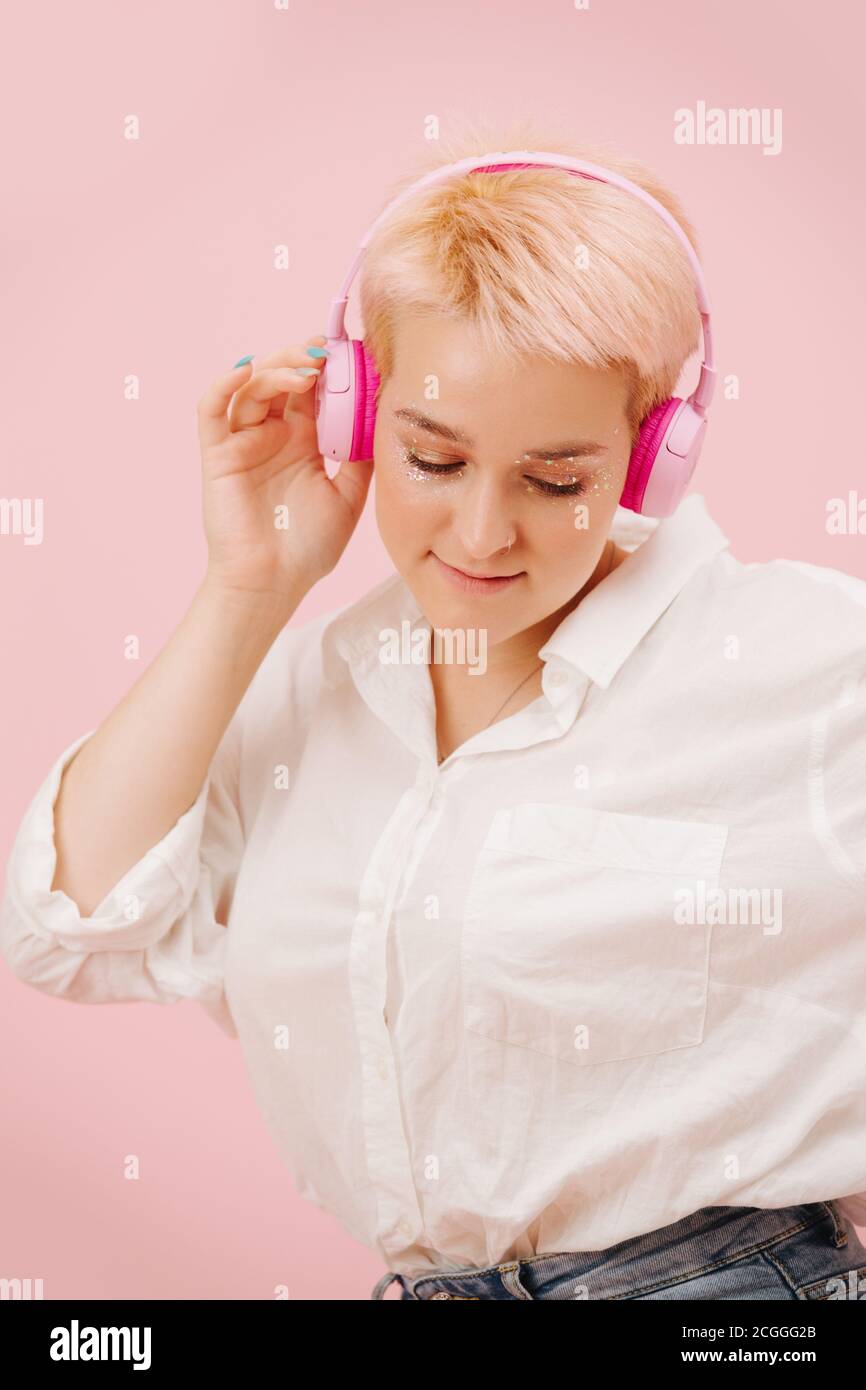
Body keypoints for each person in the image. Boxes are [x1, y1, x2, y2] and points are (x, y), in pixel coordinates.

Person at [2, 127, 866, 1303]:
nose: (477, 536)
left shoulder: (810, 664)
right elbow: (67, 929)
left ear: (655, 453)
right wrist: (248, 588)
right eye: (431, 458)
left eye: (554, 480)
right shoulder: (313, 696)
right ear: (359, 419)